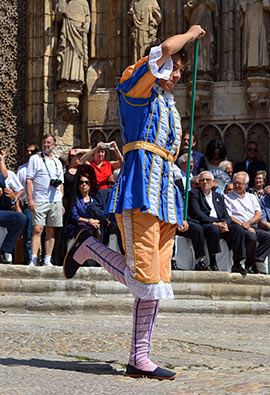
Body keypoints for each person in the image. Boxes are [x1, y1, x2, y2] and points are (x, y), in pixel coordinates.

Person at [63, 25, 206, 380]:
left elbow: (171, 160)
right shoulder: (136, 85)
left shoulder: (169, 106)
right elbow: (164, 48)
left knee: (156, 281)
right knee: (140, 274)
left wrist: (180, 207)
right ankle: (89, 247)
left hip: (164, 197)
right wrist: (189, 34)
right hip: (140, 190)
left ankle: (139, 357)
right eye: (173, 67)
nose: (175, 75)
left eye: (180, 71)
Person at [188, 171, 247, 274]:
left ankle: (237, 263)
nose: (205, 182)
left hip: (220, 223)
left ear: (213, 182)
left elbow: (226, 215)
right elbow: (197, 213)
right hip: (204, 223)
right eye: (202, 180)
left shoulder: (218, 196)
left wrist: (225, 224)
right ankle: (212, 261)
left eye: (208, 180)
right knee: (213, 229)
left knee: (238, 230)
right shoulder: (194, 193)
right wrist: (215, 223)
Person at [26, 134, 64, 267]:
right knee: (37, 229)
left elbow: (61, 184)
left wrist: (61, 202)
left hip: (55, 200)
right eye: (44, 142)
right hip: (40, 199)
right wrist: (30, 199)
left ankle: (47, 259)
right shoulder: (35, 159)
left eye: (49, 143)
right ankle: (34, 258)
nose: (46, 145)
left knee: (51, 230)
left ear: (54, 145)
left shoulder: (57, 162)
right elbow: (29, 180)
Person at [225, 171, 270, 274]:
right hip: (238, 228)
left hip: (251, 226)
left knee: (268, 236)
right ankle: (248, 264)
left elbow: (259, 214)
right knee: (251, 237)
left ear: (246, 184)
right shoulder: (227, 198)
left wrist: (249, 223)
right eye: (235, 182)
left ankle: (256, 259)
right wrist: (244, 225)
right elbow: (229, 216)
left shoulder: (251, 197)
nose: (236, 185)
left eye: (239, 183)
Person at [55, 0, 90, 83]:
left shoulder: (84, 3)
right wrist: (61, 9)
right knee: (67, 52)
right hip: (67, 32)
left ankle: (76, 78)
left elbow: (87, 19)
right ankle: (65, 77)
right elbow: (58, 18)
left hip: (79, 34)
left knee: (77, 55)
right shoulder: (64, 2)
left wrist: (85, 28)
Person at [17, 143, 40, 265]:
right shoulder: (22, 169)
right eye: (28, 151)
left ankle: (45, 259)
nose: (29, 153)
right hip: (28, 205)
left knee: (45, 232)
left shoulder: (44, 167)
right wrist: (18, 206)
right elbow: (18, 189)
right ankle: (29, 260)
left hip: (43, 203)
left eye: (32, 151)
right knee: (29, 233)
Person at [65, 169, 100, 240]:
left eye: (86, 182)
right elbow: (75, 216)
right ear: (78, 185)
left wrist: (96, 221)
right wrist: (88, 221)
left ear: (89, 185)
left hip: (93, 222)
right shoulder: (75, 199)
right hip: (78, 225)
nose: (84, 184)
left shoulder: (94, 199)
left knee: (99, 230)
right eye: (81, 182)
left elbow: (99, 213)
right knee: (88, 230)